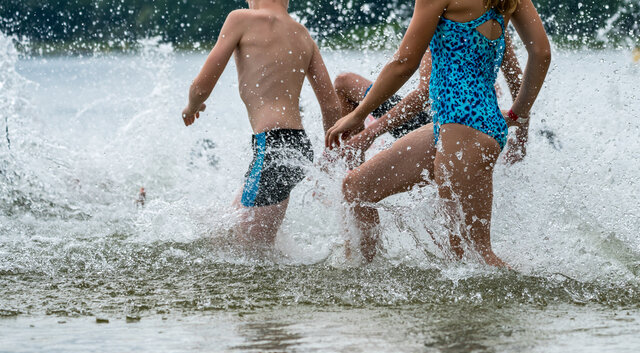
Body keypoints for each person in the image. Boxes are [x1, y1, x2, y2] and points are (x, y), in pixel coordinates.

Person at [326, 0, 551, 265]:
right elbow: (541, 53)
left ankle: (526, 297)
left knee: (470, 254)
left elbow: (403, 63)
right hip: (460, 125)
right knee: (357, 188)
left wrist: (358, 114)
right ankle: (362, 280)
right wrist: (518, 114)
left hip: (462, 129)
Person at [181, 0, 341, 245]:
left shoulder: (240, 19)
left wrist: (192, 107)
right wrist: (330, 157)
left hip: (272, 148)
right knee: (233, 232)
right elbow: (331, 105)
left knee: (250, 250)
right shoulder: (302, 33)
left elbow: (201, 85)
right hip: (299, 148)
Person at [333, 33, 525, 163]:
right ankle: (348, 160)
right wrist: (521, 139)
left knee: (344, 82)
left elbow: (423, 94)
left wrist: (370, 133)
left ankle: (350, 163)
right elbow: (519, 83)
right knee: (344, 82)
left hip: (437, 126)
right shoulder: (498, 18)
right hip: (482, 124)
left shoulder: (442, 16)